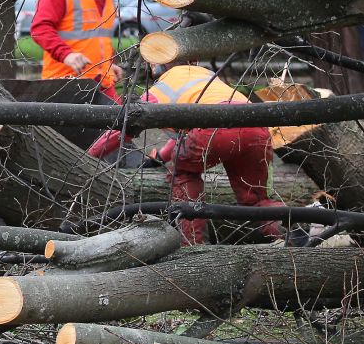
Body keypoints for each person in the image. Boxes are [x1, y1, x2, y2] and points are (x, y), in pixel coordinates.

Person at [87, 64, 285, 244]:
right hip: (256, 124)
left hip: (215, 127)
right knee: (256, 201)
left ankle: (192, 246)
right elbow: (183, 134)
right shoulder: (203, 75)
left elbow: (121, 130)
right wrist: (158, 158)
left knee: (181, 173)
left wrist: (89, 156)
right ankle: (290, 235)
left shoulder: (161, 89)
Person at [30, 0, 125, 102]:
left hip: (102, 82)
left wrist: (109, 65)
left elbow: (99, 39)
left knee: (119, 124)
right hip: (64, 85)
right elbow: (40, 30)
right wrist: (66, 54)